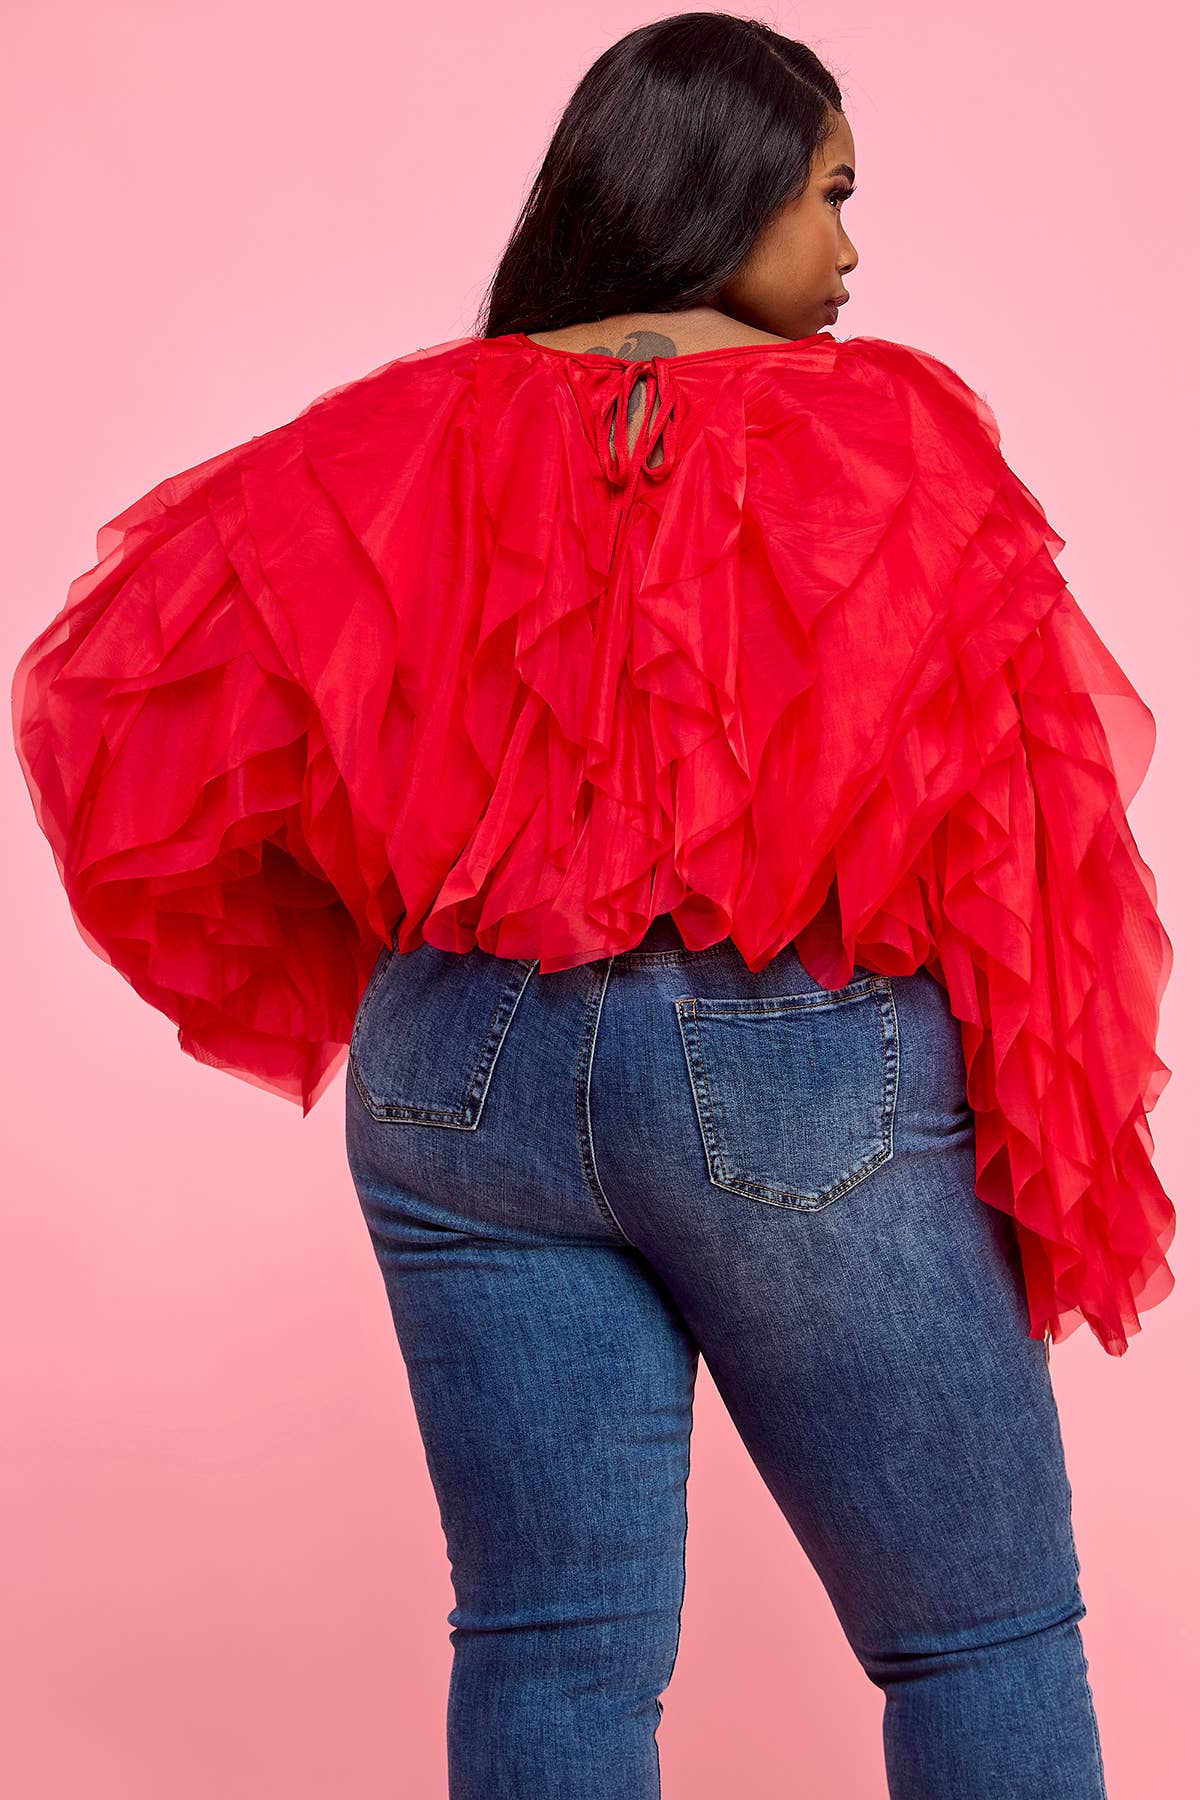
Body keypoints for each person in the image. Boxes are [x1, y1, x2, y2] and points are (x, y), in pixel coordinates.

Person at [10, 12, 1173, 1797]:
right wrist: (1036, 1113)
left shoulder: (391, 433)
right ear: (722, 187)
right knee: (980, 1635)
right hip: (787, 1069)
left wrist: (397, 896)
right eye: (830, 194)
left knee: (552, 1646)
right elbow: (1022, 821)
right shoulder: (884, 427)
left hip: (450, 1071)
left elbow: (124, 708)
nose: (850, 250)